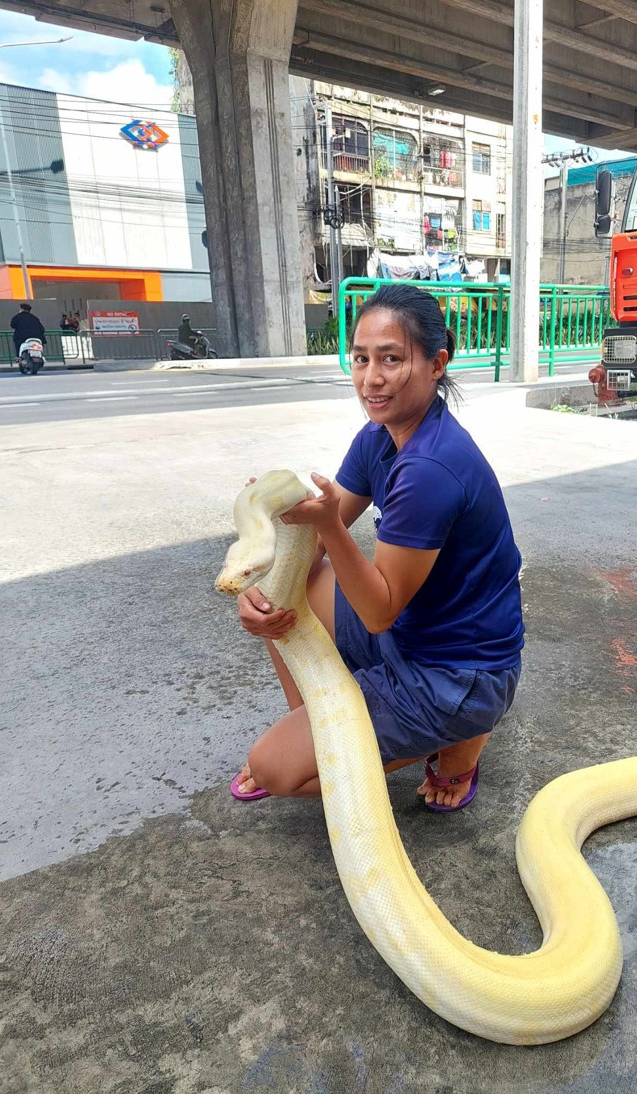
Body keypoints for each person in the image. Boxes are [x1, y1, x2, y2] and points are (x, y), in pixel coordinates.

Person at [232, 283, 524, 811]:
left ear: (437, 364)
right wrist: (260, 588)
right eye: (361, 358)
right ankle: (322, 726)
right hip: (410, 634)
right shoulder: (379, 435)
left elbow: (378, 611)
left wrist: (329, 527)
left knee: (276, 770)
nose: (371, 378)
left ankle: (458, 739)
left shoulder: (430, 468)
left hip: (458, 673)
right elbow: (310, 549)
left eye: (391, 359)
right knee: (282, 598)